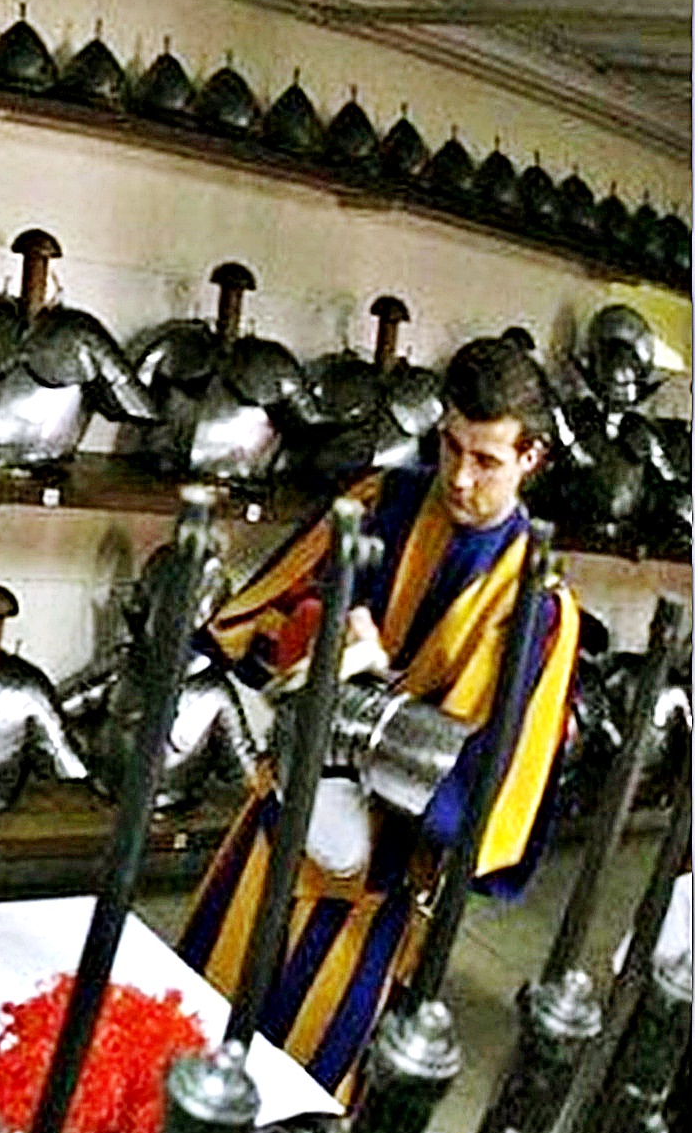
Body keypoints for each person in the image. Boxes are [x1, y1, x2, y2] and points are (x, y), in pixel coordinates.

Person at [177, 333, 581, 1093]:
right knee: (186, 1028)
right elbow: (259, 622)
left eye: (487, 459)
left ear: (531, 458)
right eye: (451, 446)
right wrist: (320, 632)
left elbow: (485, 795)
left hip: (374, 880)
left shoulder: (539, 606)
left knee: (296, 1089)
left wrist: (376, 686)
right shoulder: (381, 501)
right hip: (274, 824)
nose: (460, 477)